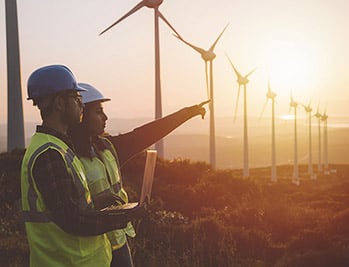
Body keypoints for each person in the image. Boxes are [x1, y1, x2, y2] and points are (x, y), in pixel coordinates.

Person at [68, 82, 209, 267]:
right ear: (82, 115)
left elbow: (145, 134)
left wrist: (186, 113)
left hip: (118, 241)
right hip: (90, 248)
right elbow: (70, 210)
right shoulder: (67, 156)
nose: (105, 117)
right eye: (98, 111)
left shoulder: (108, 148)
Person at [21, 65, 143, 267]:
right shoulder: (49, 154)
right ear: (60, 103)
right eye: (77, 98)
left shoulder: (59, 147)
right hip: (69, 261)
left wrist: (98, 200)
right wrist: (124, 216)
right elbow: (72, 220)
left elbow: (66, 205)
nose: (81, 105)